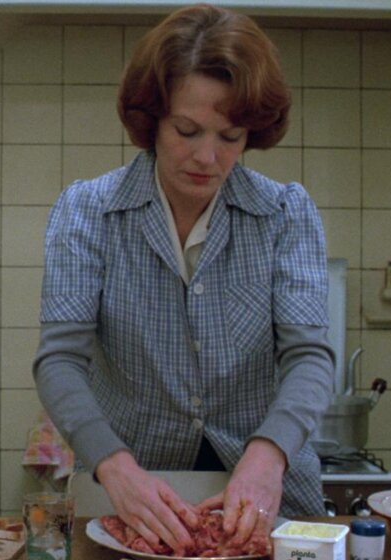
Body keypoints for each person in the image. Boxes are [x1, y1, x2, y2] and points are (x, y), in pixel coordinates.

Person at [32, 3, 335, 555]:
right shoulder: (88, 211)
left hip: (262, 491)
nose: (207, 157)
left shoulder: (285, 214)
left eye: (231, 136)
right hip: (129, 492)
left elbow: (309, 357)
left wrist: (268, 455)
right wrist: (114, 465)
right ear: (151, 119)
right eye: (187, 130)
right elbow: (59, 360)